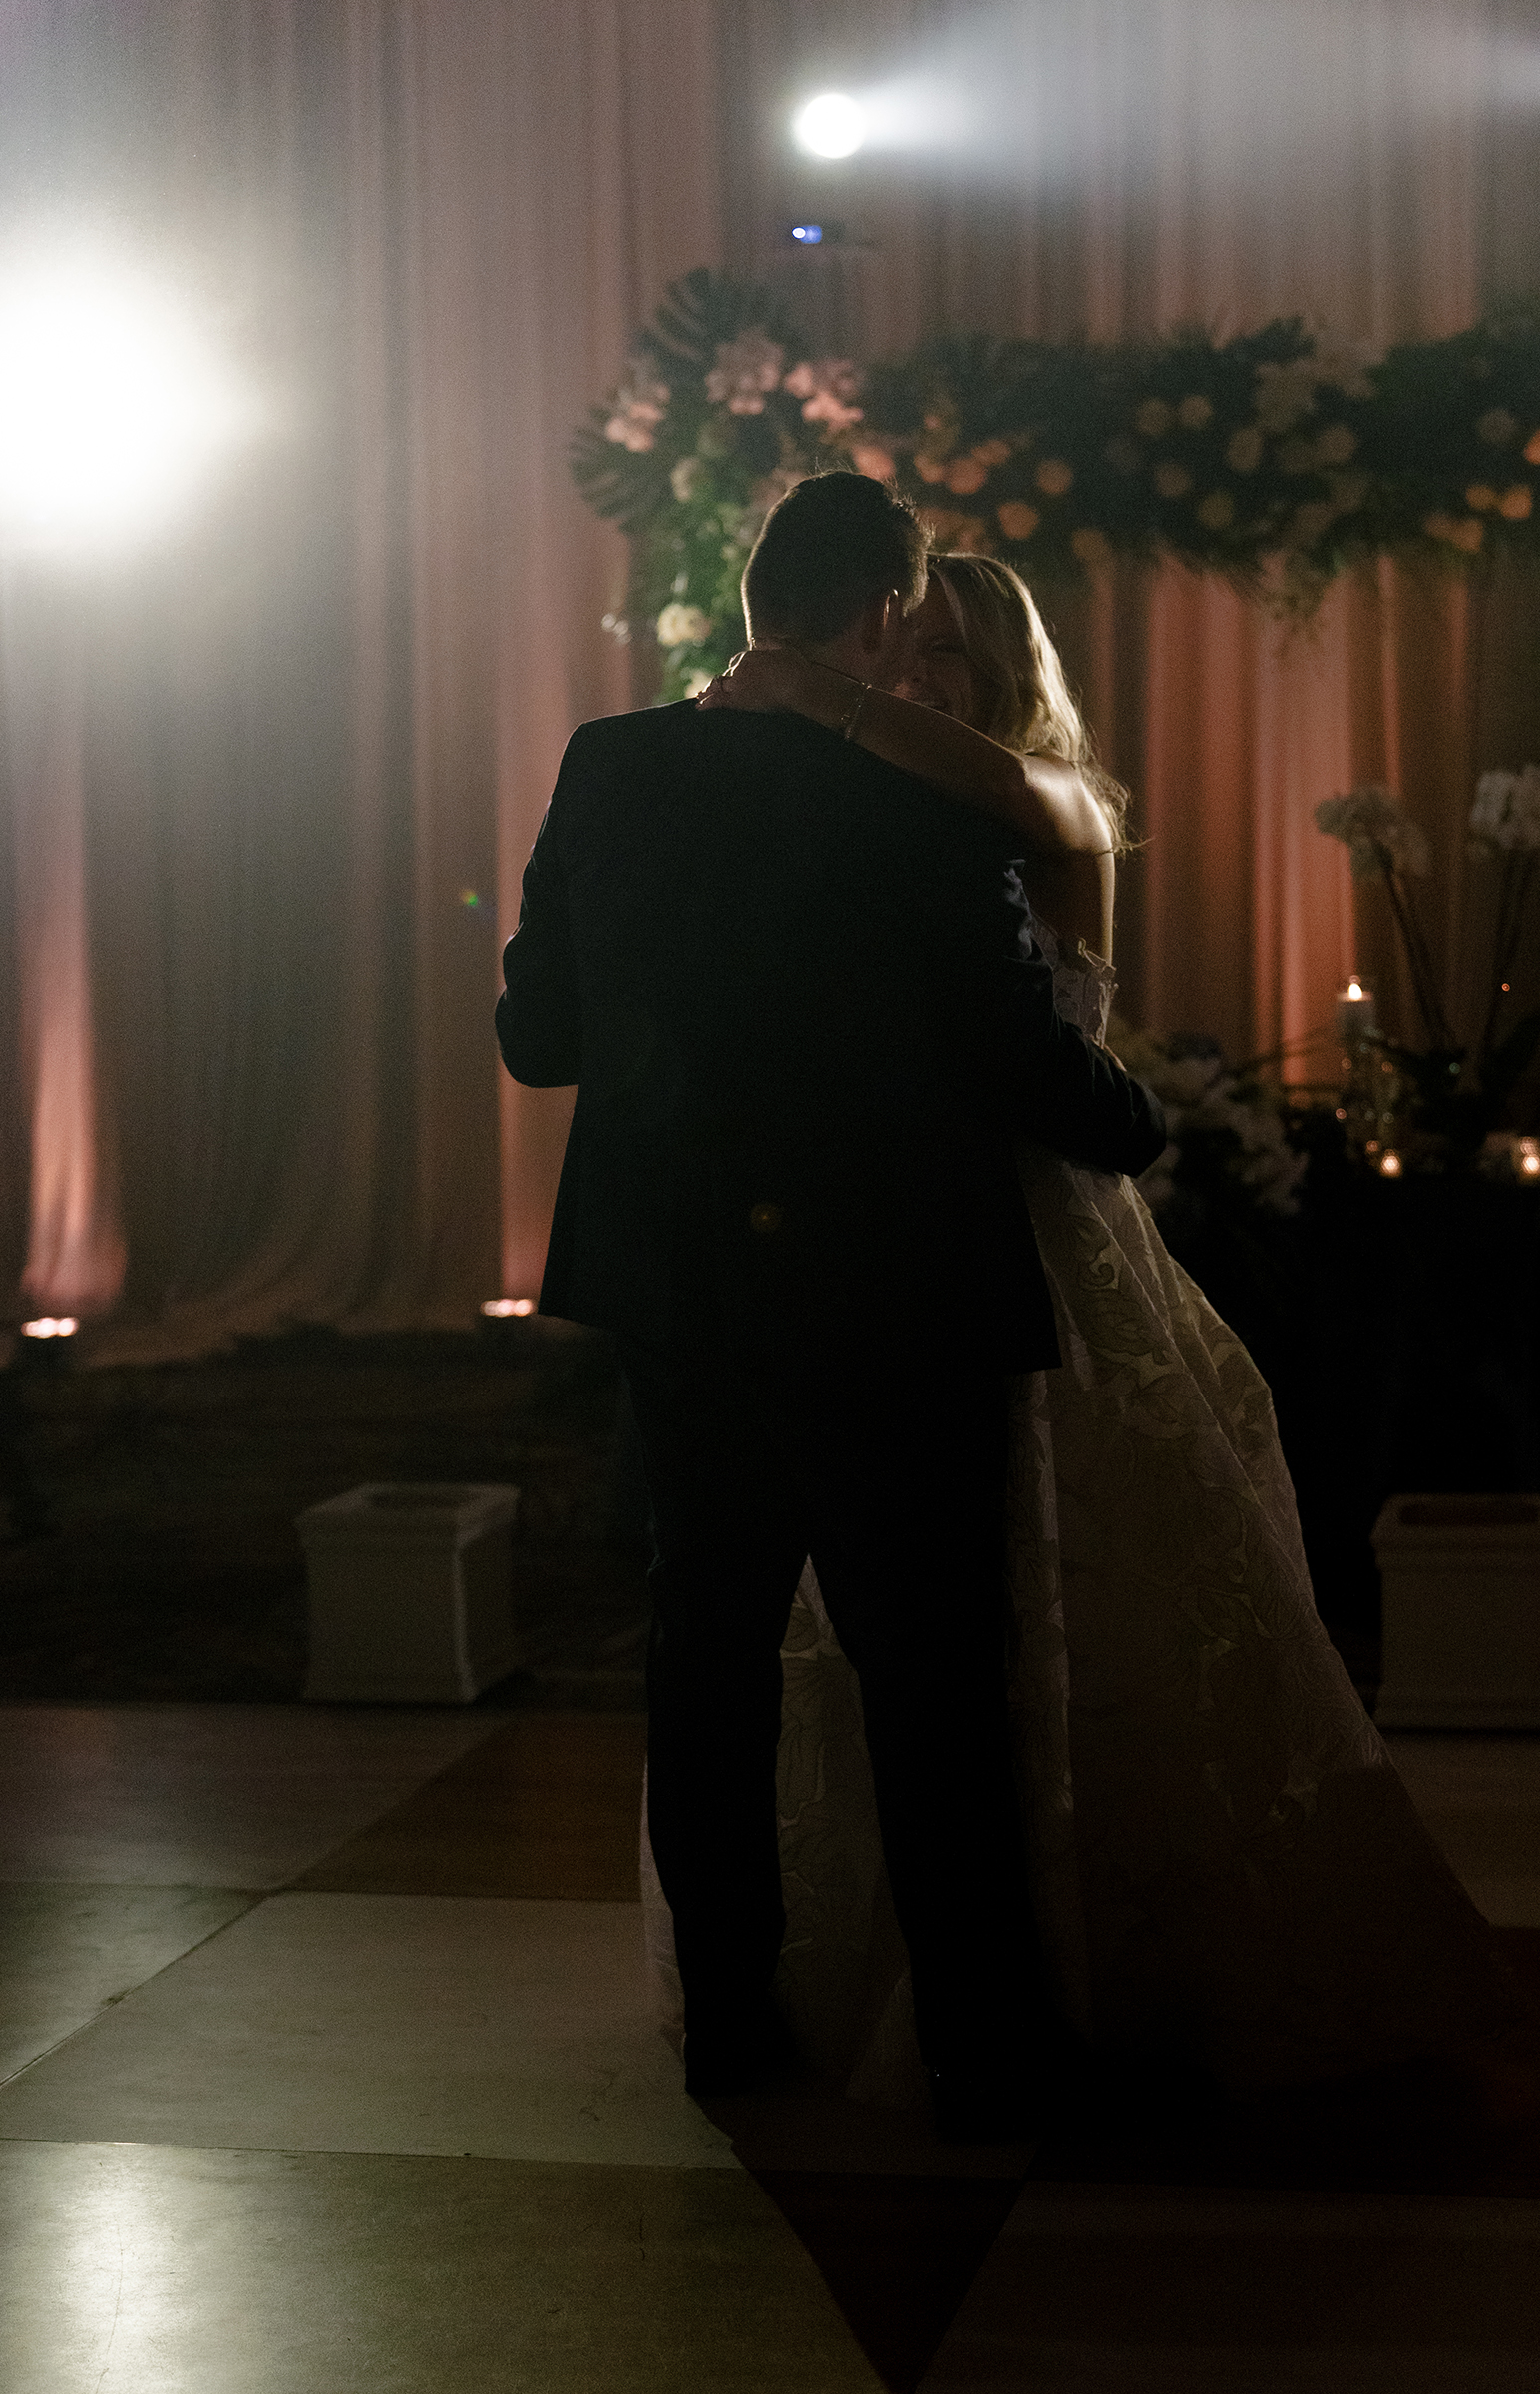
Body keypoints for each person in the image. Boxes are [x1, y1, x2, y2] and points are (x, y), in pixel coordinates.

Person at [692, 549, 1518, 2106]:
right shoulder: (871, 808)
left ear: (1003, 669)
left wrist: (799, 689)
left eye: (948, 653)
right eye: (903, 645)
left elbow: (1033, 970)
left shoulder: (1050, 803)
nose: (919, 677)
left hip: (1041, 1229)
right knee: (905, 1614)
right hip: (889, 1247)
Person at [495, 476, 1168, 2140]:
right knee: (933, 1670)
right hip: (897, 1290)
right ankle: (985, 2055)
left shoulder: (610, 764)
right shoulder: (924, 805)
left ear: (750, 602)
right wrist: (1149, 1125)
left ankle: (728, 2016)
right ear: (881, 612)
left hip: (684, 1283)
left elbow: (540, 1041)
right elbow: (1024, 1061)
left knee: (706, 1641)